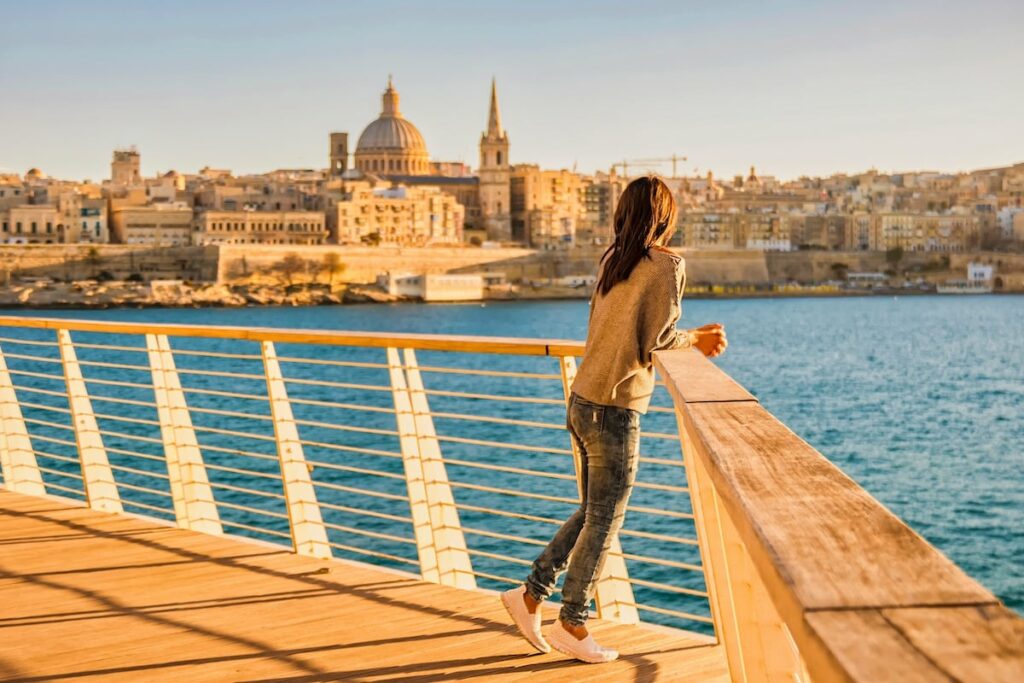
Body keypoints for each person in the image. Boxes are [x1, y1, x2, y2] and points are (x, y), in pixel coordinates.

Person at [500, 175, 727, 663]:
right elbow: (657, 342)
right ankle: (572, 623)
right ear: (666, 216)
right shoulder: (668, 265)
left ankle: (529, 595)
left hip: (582, 399)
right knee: (605, 516)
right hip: (615, 408)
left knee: (591, 511)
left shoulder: (612, 261)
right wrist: (699, 340)